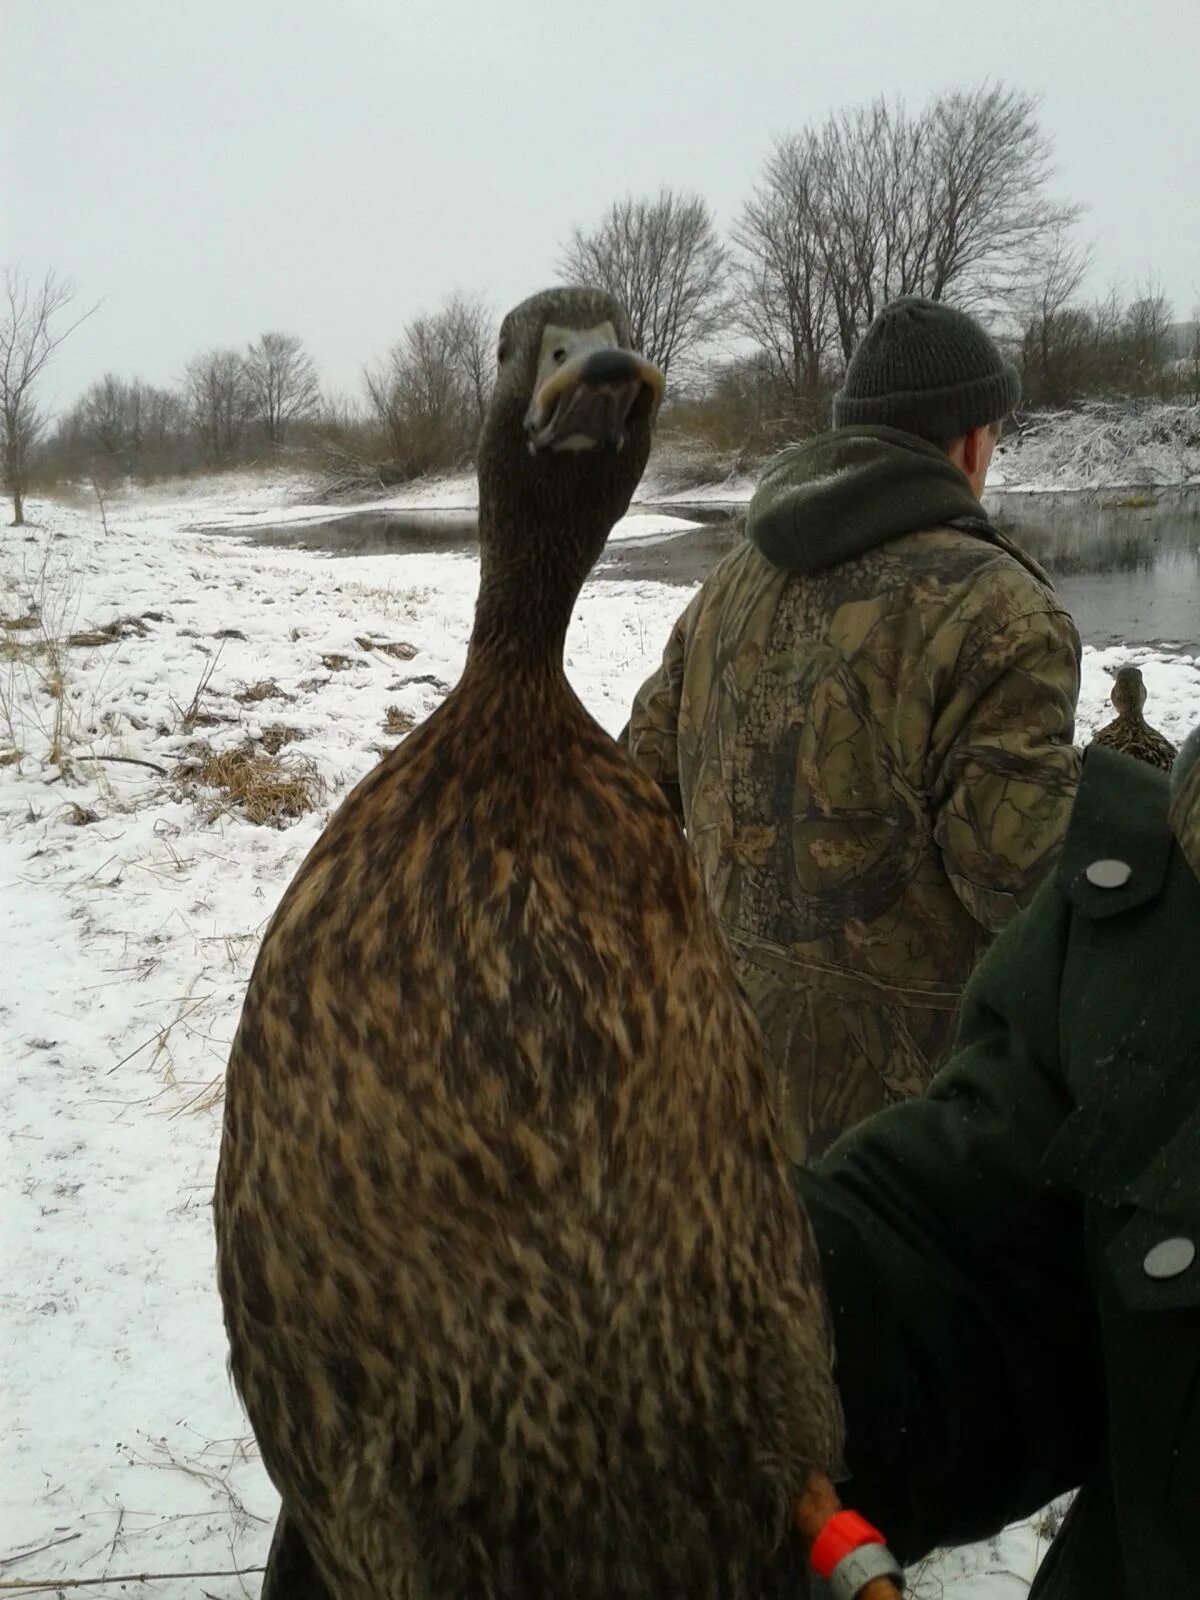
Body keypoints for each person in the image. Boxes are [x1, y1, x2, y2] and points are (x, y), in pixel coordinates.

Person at [624, 297, 1081, 1162]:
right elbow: (1032, 900)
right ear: (971, 443)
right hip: (918, 1145)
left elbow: (633, 795)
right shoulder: (999, 611)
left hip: (728, 1097)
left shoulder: (725, 587)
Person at [796, 727, 1200, 1594]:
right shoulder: (1166, 897)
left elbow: (649, 752)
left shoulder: (718, 612)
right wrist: (737, 1300)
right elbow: (997, 1258)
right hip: (909, 1027)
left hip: (802, 1029)